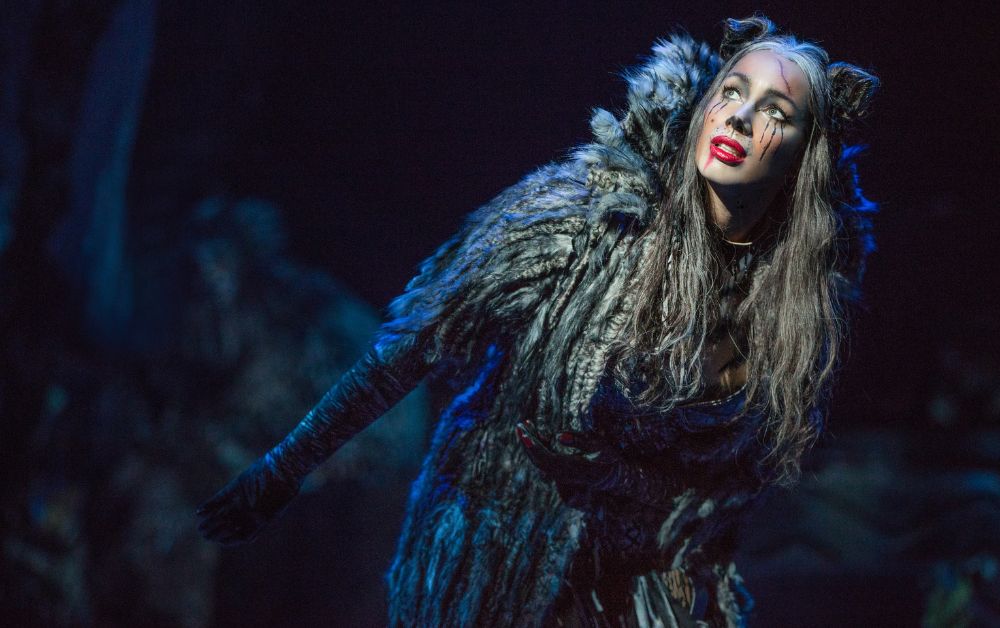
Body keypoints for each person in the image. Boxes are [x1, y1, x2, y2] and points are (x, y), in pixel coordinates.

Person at [197, 15, 878, 627]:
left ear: (803, 157)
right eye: (731, 91)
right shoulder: (586, 216)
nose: (740, 118)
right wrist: (282, 469)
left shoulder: (792, 316)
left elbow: (718, 495)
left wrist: (615, 481)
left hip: (643, 587)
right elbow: (414, 342)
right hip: (500, 557)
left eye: (775, 112)